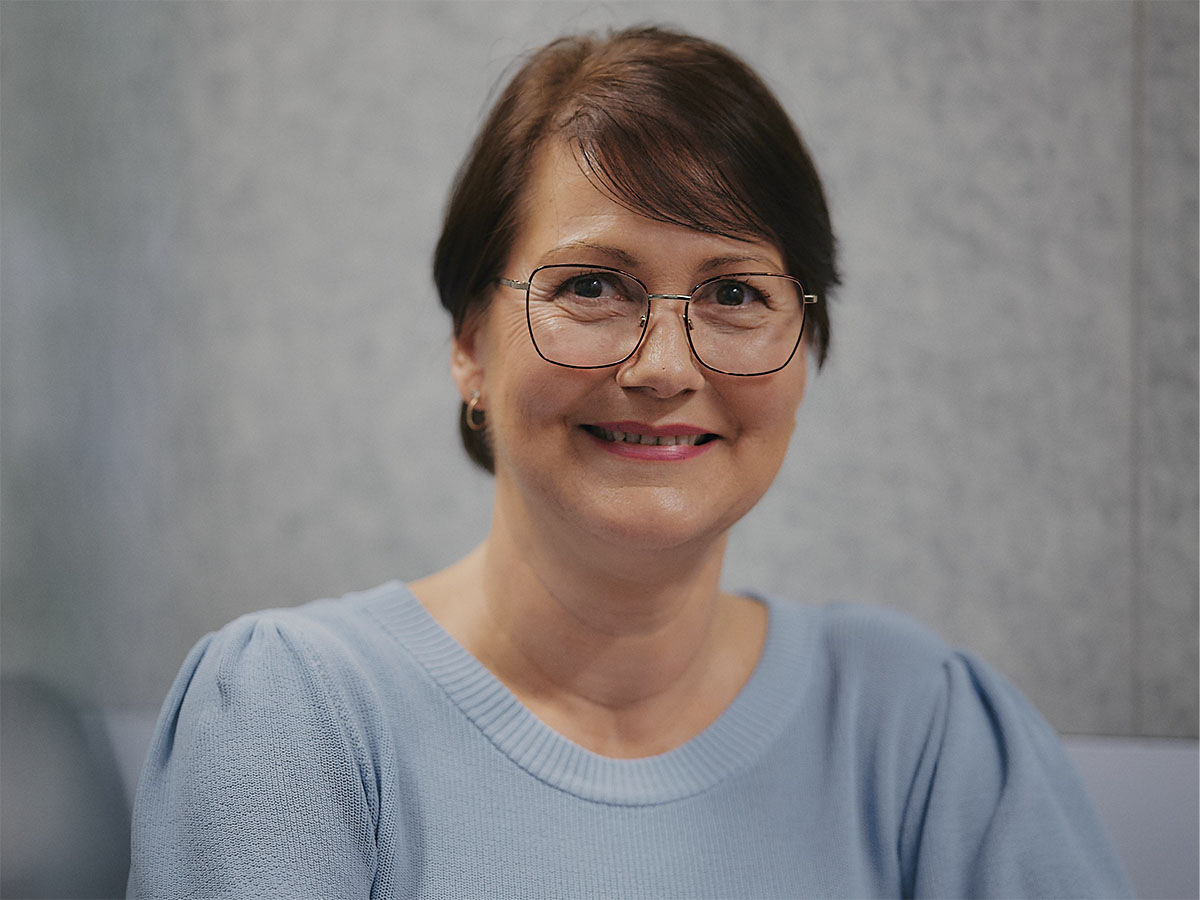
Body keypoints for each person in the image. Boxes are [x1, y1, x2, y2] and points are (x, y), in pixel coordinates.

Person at [128, 26, 1130, 899]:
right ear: (471, 342)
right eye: (594, 285)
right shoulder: (292, 714)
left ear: (804, 349)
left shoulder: (926, 731)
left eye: (736, 295)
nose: (662, 367)